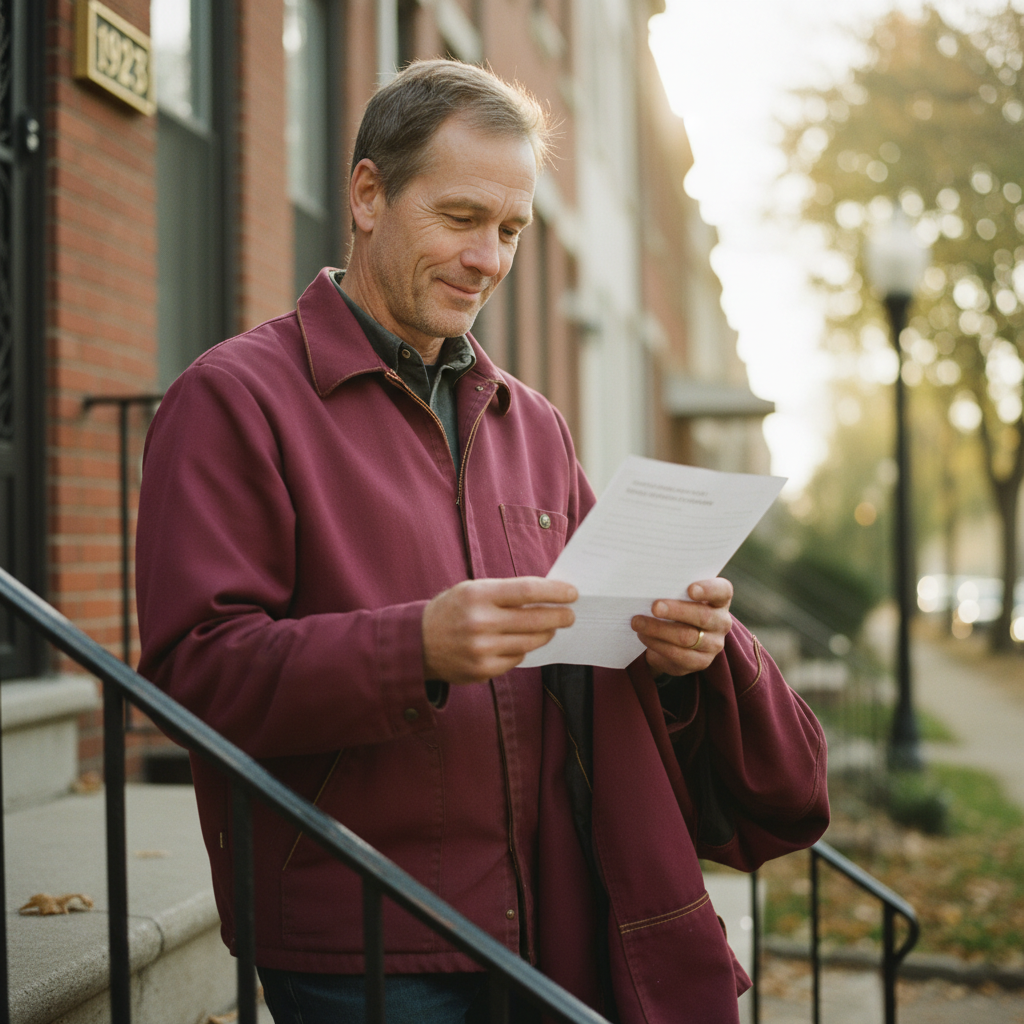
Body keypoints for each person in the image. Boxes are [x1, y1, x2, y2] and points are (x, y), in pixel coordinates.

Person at [136, 59, 828, 1024]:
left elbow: (589, 658)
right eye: (461, 219)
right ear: (369, 194)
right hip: (366, 929)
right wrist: (414, 646)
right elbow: (187, 675)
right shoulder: (233, 399)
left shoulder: (530, 423)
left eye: (510, 231)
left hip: (551, 914)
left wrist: (675, 648)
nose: (489, 259)